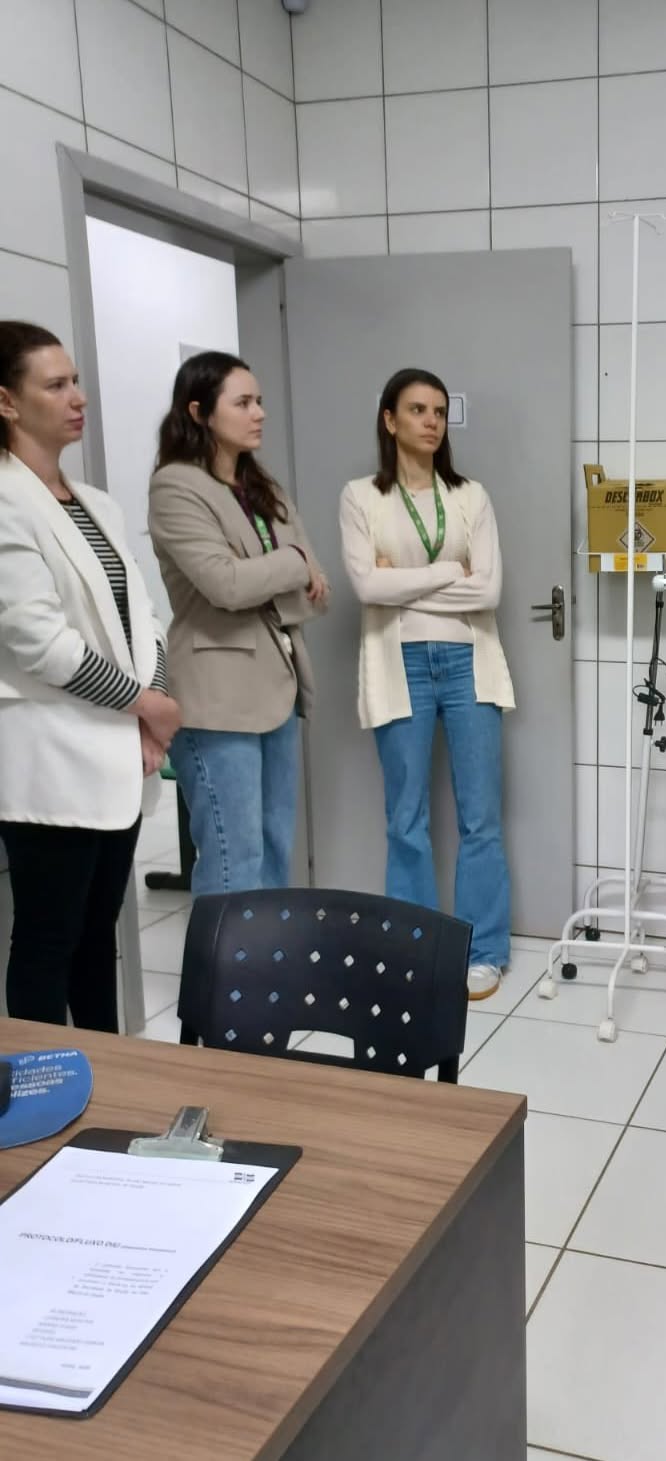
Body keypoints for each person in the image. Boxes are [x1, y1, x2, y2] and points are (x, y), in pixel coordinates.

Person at [0, 321, 181, 1029]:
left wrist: (153, 700)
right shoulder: (6, 499)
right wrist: (146, 705)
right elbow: (42, 645)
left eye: (75, 381)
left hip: (117, 751)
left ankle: (110, 1069)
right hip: (50, 763)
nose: (78, 397)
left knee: (98, 939)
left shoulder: (96, 503)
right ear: (7, 402)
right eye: (56, 385)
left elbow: (145, 618)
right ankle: (38, 1081)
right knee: (48, 941)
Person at [339, 368, 514, 1001]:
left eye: (439, 411)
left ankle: (482, 951)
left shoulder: (471, 497)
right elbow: (366, 587)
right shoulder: (361, 496)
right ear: (390, 420)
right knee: (405, 818)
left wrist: (403, 583)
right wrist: (447, 572)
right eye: (417, 410)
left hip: (469, 663)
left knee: (481, 817)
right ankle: (413, 952)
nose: (432, 421)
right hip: (400, 665)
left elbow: (488, 593)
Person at [148, 352, 330, 896]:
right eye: (244, 402)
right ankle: (223, 958)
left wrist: (278, 574)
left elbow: (316, 595)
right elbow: (224, 585)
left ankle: (265, 955)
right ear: (199, 411)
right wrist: (293, 562)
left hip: (279, 687)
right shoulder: (176, 486)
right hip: (216, 699)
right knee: (235, 858)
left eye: (260, 401)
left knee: (275, 848)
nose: (259, 413)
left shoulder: (261, 485)